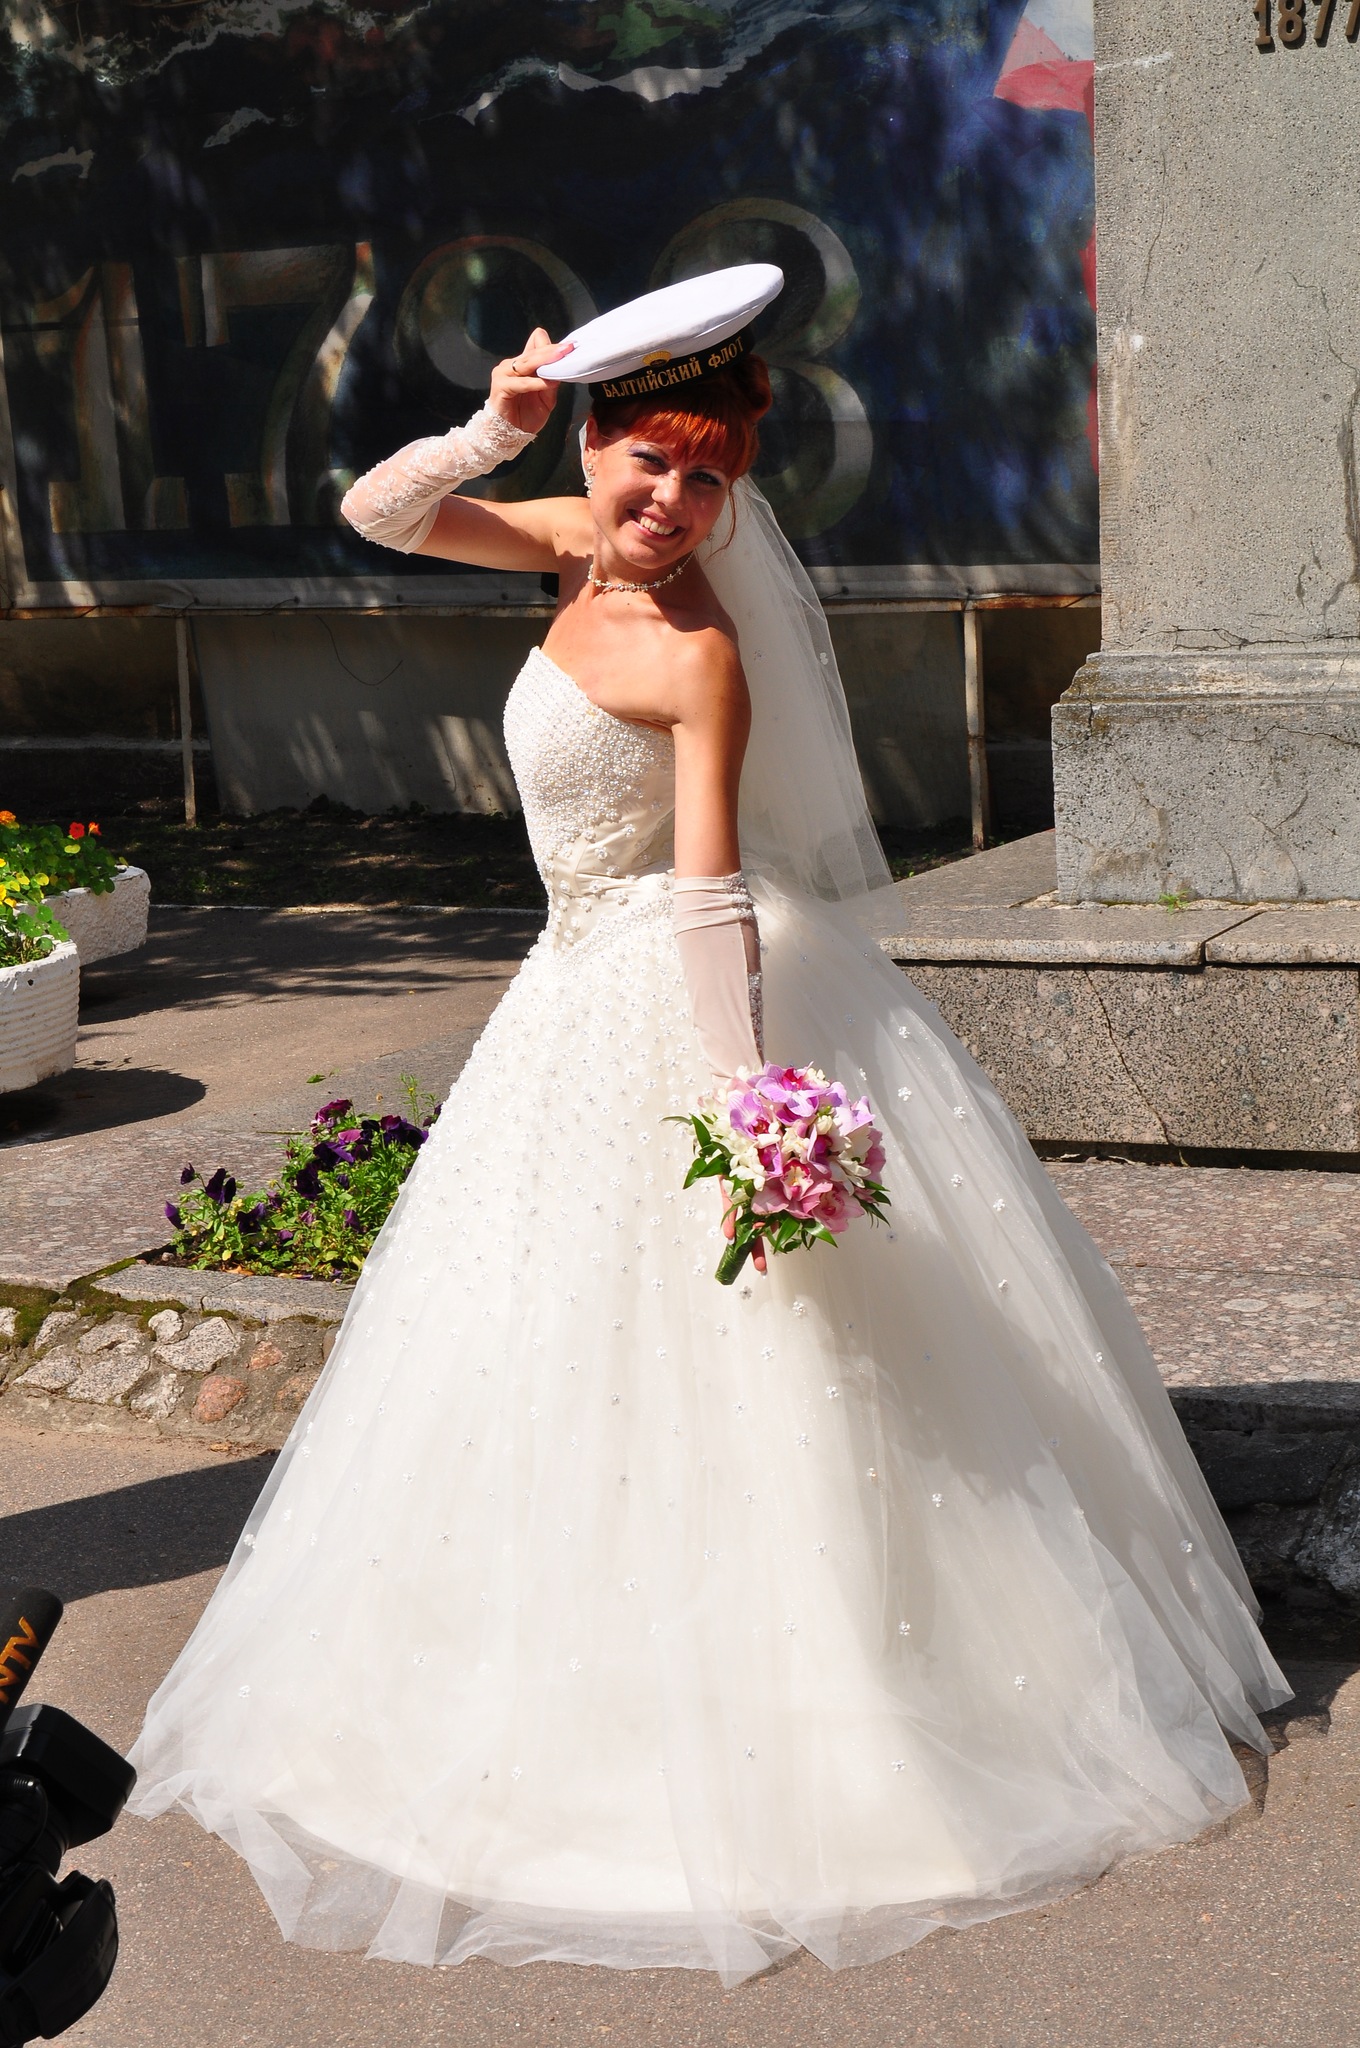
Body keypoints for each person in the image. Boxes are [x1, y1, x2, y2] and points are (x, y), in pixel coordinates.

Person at [128, 269, 1288, 1987]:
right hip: (558, 1000)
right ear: (594, 446)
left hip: (678, 999)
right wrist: (496, 423)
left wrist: (752, 1104)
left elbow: (710, 898)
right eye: (645, 461)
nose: (668, 502)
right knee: (529, 1357)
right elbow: (380, 514)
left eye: (706, 478)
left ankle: (819, 1730)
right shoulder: (559, 544)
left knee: (757, 1370)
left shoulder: (699, 650)